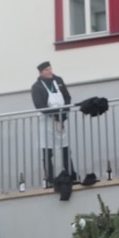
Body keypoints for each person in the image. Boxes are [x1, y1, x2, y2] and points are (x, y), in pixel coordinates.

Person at [31, 61, 72, 190]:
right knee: (47, 150)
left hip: (61, 119)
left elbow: (67, 97)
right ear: (41, 73)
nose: (50, 71)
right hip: (47, 121)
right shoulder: (36, 87)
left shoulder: (58, 80)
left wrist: (64, 113)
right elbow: (39, 105)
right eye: (46, 70)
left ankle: (71, 173)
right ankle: (50, 178)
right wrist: (54, 114)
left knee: (65, 147)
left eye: (50, 68)